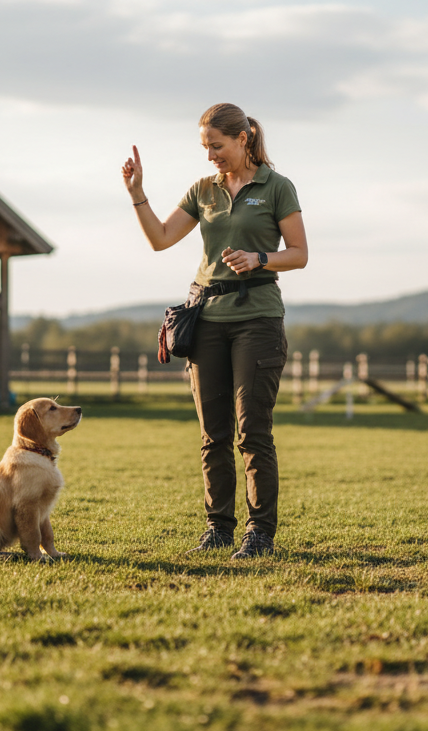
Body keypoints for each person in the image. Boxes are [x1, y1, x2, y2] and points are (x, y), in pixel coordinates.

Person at [122, 103, 308, 559]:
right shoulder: (202, 190)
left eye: (217, 146)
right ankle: (219, 528)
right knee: (214, 435)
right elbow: (160, 238)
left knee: (253, 433)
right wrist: (137, 194)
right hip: (205, 319)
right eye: (205, 148)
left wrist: (259, 259)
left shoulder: (277, 187)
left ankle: (259, 534)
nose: (210, 156)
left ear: (243, 139)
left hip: (258, 320)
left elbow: (299, 253)